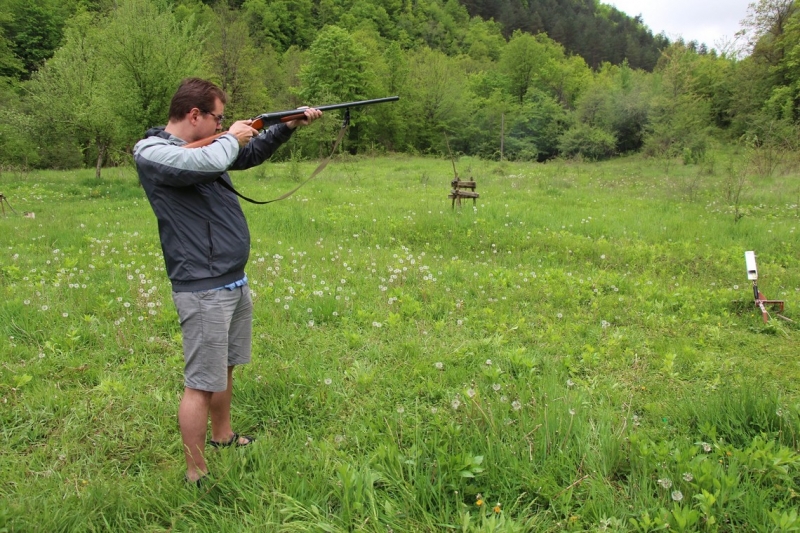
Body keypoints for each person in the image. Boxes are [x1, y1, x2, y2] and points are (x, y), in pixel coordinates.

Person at [133, 78, 322, 485]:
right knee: (200, 382)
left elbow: (245, 153)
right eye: (217, 118)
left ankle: (223, 436)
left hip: (231, 279)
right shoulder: (154, 152)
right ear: (195, 115)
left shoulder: (213, 148)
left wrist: (285, 127)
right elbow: (211, 159)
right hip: (201, 285)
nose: (222, 127)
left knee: (225, 368)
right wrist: (232, 136)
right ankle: (196, 474)